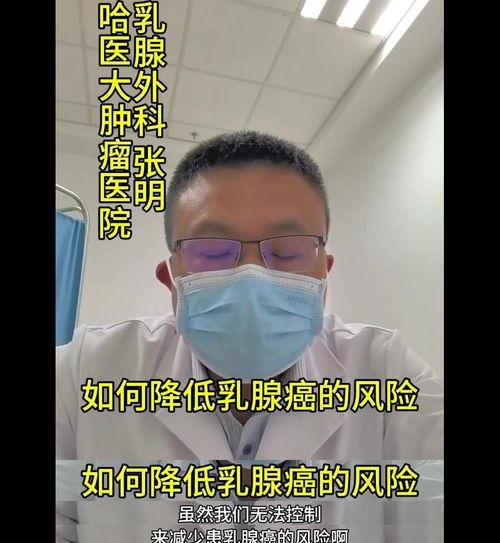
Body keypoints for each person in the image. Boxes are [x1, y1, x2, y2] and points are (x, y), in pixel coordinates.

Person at [56, 130, 443, 462]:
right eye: (212, 252)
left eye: (288, 251)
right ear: (170, 279)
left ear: (324, 273)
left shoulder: (386, 370)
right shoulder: (85, 372)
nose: (251, 277)